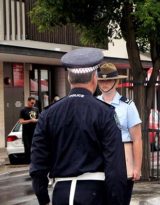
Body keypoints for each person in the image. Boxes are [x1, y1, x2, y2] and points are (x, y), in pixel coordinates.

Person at [29, 48, 128, 205]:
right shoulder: (105, 113)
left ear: (69, 79)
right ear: (94, 78)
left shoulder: (48, 114)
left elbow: (38, 163)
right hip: (94, 194)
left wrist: (43, 197)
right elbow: (115, 168)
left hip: (60, 193)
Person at [97, 62, 143, 203]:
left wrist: (137, 167)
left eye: (108, 80)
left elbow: (137, 138)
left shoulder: (127, 105)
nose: (104, 84)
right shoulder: (94, 103)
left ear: (116, 82)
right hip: (99, 158)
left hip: (123, 156)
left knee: (121, 199)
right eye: (101, 80)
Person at [19, 96, 39, 163]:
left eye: (34, 103)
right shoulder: (23, 110)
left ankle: (35, 161)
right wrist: (30, 120)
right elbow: (21, 121)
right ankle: (28, 161)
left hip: (34, 132)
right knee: (27, 147)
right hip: (26, 133)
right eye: (31, 103)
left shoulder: (36, 109)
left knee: (34, 147)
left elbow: (39, 119)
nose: (32, 104)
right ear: (28, 101)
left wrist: (35, 120)